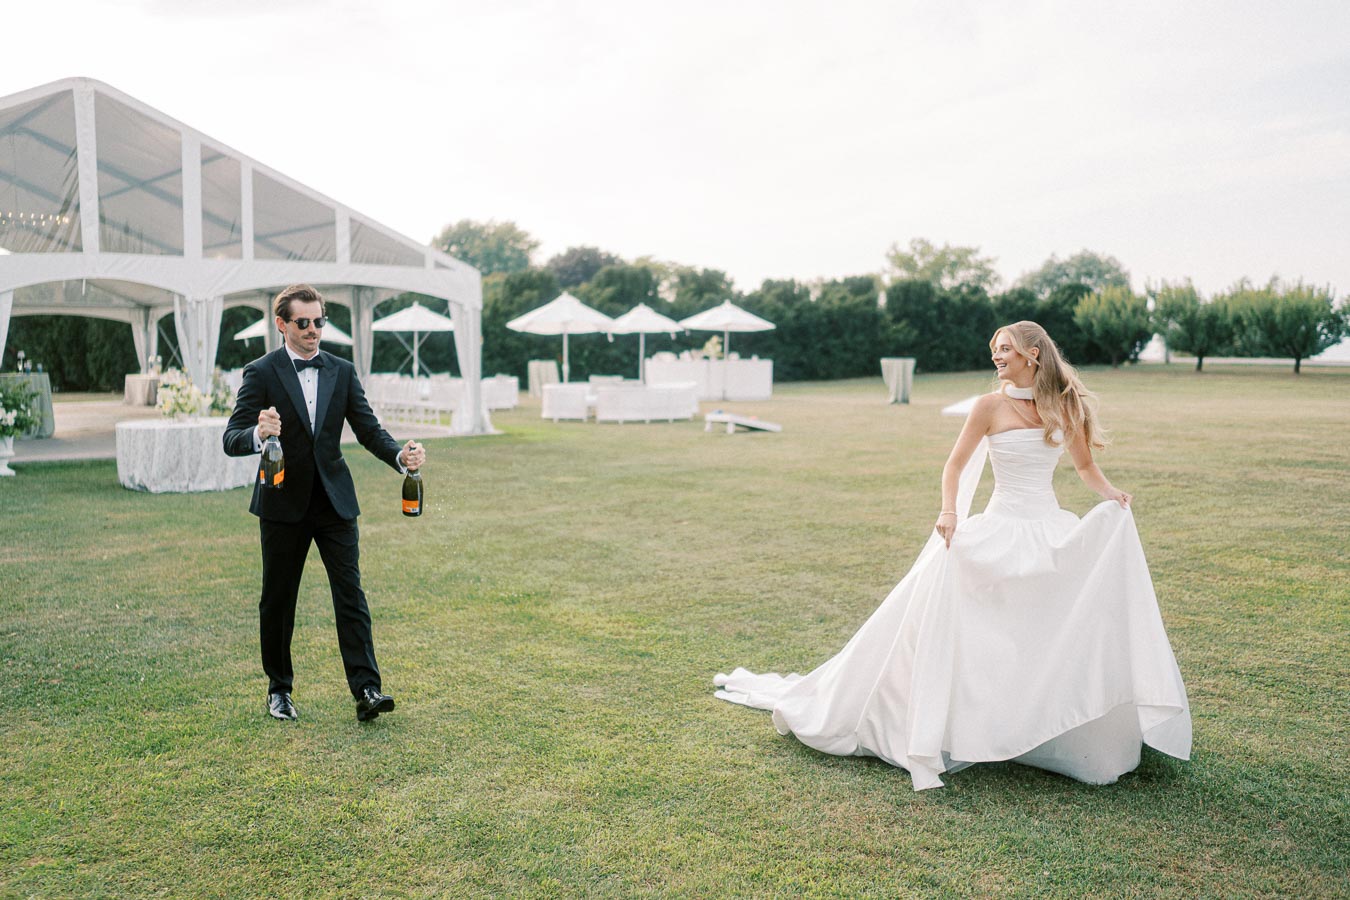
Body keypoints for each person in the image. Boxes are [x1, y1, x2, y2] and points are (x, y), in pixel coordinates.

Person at [715, 321, 1191, 790]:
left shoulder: (1065, 407)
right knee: (961, 616)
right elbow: (955, 465)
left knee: (1046, 623)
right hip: (999, 526)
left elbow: (1085, 466)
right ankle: (954, 723)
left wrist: (1112, 496)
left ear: (1033, 354)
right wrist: (949, 511)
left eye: (1004, 348)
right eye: (994, 349)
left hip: (1046, 527)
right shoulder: (988, 406)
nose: (996, 356)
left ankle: (1039, 721)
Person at [223, 284, 426, 723]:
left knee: (350, 596)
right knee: (278, 600)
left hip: (335, 503)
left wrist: (399, 456)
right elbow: (230, 439)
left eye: (319, 321)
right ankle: (279, 690)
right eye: (304, 322)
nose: (313, 329)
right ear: (282, 324)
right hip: (282, 503)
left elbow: (369, 430)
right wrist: (258, 434)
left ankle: (368, 690)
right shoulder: (260, 372)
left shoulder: (342, 370)